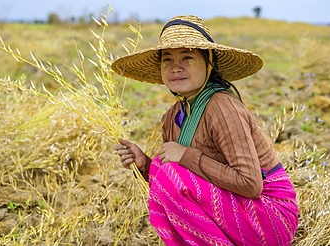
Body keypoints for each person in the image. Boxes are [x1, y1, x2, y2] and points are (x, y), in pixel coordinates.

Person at [112, 15, 299, 246]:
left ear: (209, 62)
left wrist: (185, 156)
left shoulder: (223, 107)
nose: (175, 67)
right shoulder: (173, 116)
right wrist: (145, 165)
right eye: (167, 59)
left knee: (170, 173)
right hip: (237, 210)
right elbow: (188, 186)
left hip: (270, 217)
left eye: (187, 57)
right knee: (164, 170)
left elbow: (251, 184)